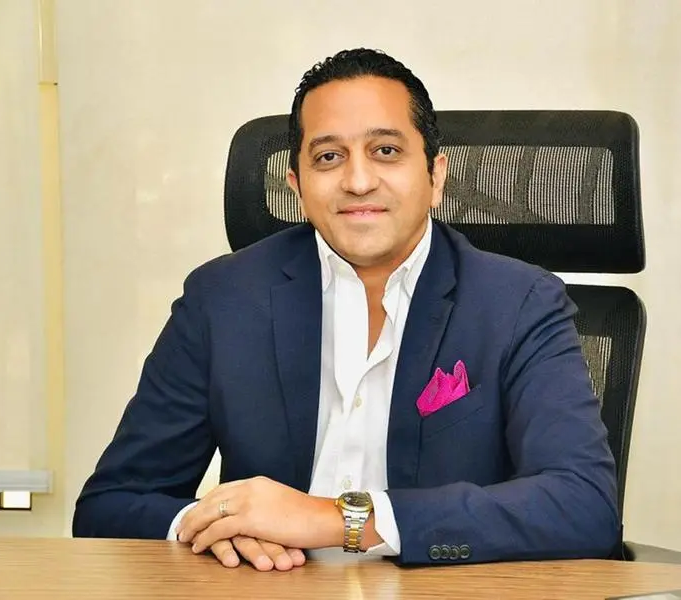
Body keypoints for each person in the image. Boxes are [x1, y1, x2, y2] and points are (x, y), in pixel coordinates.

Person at [72, 48, 622, 570]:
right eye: (329, 157)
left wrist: (337, 520)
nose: (358, 181)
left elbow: (583, 506)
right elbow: (110, 505)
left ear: (436, 177)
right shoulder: (222, 299)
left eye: (386, 151)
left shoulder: (520, 302)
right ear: (297, 186)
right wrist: (216, 524)